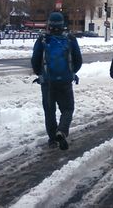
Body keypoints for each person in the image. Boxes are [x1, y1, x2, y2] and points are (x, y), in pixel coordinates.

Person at [31, 12, 82, 149]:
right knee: (67, 108)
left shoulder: (42, 39)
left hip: (47, 82)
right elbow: (78, 60)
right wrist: (71, 72)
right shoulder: (70, 39)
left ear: (49, 25)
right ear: (62, 25)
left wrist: (41, 74)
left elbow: (35, 61)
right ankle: (62, 131)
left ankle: (52, 139)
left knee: (49, 110)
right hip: (65, 81)